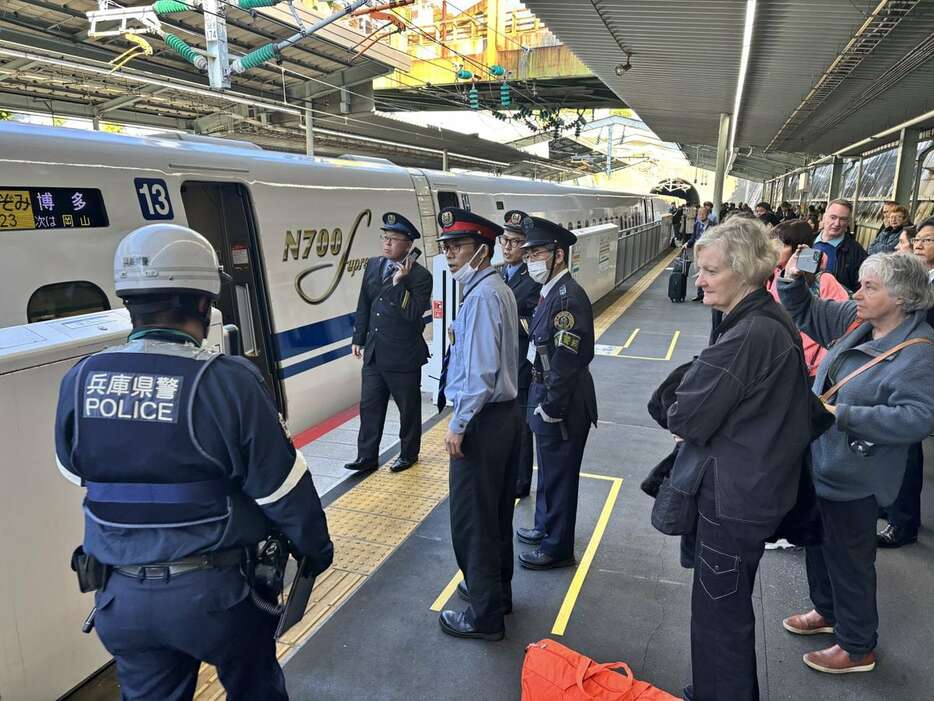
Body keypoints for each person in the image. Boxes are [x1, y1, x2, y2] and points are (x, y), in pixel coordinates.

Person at [54, 224, 334, 700]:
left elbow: (73, 469)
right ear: (203, 304)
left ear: (129, 302)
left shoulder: (81, 380)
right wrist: (315, 550)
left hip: (121, 599)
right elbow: (282, 490)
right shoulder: (229, 382)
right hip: (219, 599)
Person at [665, 217, 813, 701]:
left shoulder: (749, 334)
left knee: (719, 614)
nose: (699, 279)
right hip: (755, 488)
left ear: (744, 271)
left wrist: (679, 398)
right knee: (722, 608)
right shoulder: (767, 321)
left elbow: (684, 413)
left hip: (733, 498)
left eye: (709, 271)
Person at [778, 251, 934, 675]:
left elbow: (918, 418)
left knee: (850, 561)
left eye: (870, 287)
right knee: (817, 544)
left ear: (901, 298)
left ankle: (857, 644)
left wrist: (842, 415)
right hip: (823, 464)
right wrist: (795, 279)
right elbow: (807, 310)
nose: (857, 293)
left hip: (856, 476)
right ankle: (827, 611)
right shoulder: (858, 319)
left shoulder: (917, 354)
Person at [435, 208, 520, 641]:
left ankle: (484, 617)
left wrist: (459, 423)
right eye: (446, 247)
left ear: (482, 251)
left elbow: (481, 372)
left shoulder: (483, 296)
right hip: (503, 420)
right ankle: (497, 594)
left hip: (483, 422)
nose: (449, 255)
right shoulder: (495, 289)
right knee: (495, 511)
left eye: (458, 247)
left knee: (472, 519)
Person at [516, 217, 598, 570]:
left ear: (558, 256)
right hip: (545, 393)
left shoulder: (567, 299)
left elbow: (566, 360)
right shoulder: (550, 292)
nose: (529, 259)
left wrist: (551, 407)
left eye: (536, 252)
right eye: (528, 252)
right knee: (548, 471)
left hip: (561, 402)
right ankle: (544, 526)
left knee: (560, 476)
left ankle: (557, 547)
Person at [346, 212, 432, 473]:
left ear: (408, 245)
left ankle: (408, 454)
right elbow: (364, 304)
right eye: (385, 238)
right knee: (369, 406)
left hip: (403, 355)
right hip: (374, 352)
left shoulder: (420, 277)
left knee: (408, 409)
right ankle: (367, 457)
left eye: (393, 239)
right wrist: (358, 338)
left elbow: (413, 314)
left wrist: (398, 284)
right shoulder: (373, 265)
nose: (387, 243)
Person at [877, 216, 934, 547]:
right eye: (920, 239)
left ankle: (904, 522)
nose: (920, 244)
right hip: (898, 364)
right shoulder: (919, 278)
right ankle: (890, 504)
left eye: (928, 239)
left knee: (908, 445)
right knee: (891, 442)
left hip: (919, 368)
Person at [768, 220, 850, 376]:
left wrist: (821, 362)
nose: (774, 250)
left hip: (810, 367)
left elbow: (840, 324)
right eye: (773, 244)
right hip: (778, 359)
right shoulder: (773, 275)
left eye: (782, 245)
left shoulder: (824, 280)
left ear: (798, 249)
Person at [501, 210, 542, 499]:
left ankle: (520, 482)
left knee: (521, 428)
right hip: (499, 363)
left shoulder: (534, 280)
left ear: (526, 248)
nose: (507, 247)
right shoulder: (497, 272)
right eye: (504, 240)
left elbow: (534, 325)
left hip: (521, 365)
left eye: (514, 242)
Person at [812, 199, 868, 292]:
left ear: (848, 222)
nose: (837, 223)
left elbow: (861, 288)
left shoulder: (856, 252)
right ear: (824, 217)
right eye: (833, 217)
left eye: (843, 219)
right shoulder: (807, 242)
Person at [685, 206, 713, 301]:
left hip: (709, 252)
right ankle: (700, 294)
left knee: (706, 273)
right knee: (699, 273)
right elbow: (693, 237)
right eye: (699, 214)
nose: (700, 216)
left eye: (702, 214)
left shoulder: (713, 226)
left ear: (707, 214)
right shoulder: (697, 224)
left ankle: (706, 294)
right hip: (698, 252)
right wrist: (687, 243)